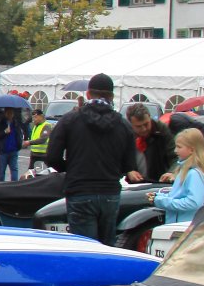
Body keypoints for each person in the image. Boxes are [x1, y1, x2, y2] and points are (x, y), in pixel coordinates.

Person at [45, 72, 136, 244]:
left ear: (88, 94)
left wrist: (71, 168)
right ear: (112, 96)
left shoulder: (70, 120)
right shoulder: (123, 125)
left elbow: (52, 157)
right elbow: (129, 164)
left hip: (80, 189)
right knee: (106, 246)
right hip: (109, 191)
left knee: (85, 246)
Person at [150, 128, 204, 224]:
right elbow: (178, 196)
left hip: (184, 227)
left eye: (179, 147)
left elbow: (193, 203)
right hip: (178, 225)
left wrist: (162, 201)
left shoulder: (194, 174)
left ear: (191, 150)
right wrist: (158, 197)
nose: (175, 150)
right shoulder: (185, 171)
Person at [125, 103, 176, 184]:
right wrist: (128, 171)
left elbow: (175, 156)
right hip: (134, 184)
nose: (144, 129)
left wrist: (172, 172)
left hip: (159, 182)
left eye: (146, 124)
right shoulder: (126, 133)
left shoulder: (161, 130)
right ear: (131, 124)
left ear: (150, 117)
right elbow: (118, 158)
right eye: (138, 126)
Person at [0, 107, 26, 182]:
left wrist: (19, 143)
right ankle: (1, 185)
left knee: (14, 169)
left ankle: (14, 185)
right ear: (5, 113)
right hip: (3, 151)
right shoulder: (0, 122)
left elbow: (19, 134)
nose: (10, 115)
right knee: (2, 169)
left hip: (14, 150)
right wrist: (5, 132)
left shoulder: (15, 122)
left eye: (11, 113)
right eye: (8, 113)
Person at [27, 109, 52, 174]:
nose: (34, 119)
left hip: (44, 154)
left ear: (41, 116)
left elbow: (43, 139)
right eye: (33, 117)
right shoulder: (36, 126)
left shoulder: (46, 125)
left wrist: (29, 142)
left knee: (44, 173)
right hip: (34, 154)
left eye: (35, 117)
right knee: (30, 173)